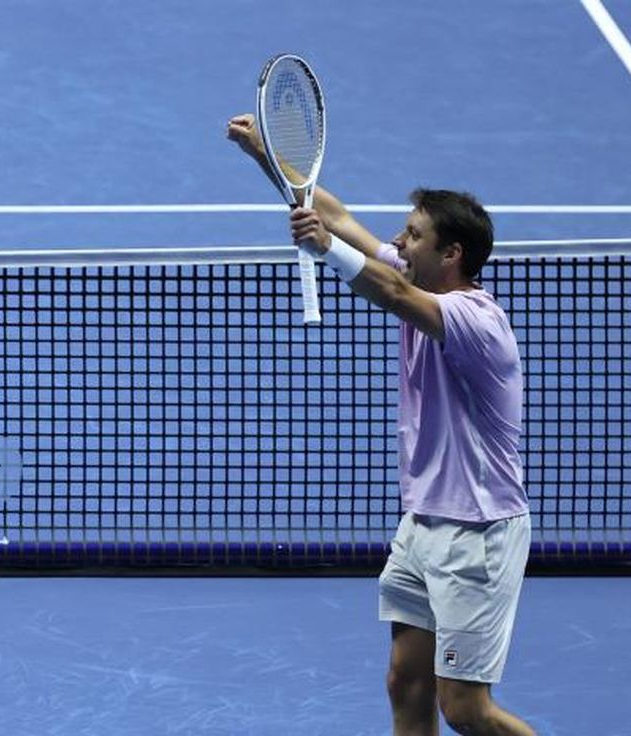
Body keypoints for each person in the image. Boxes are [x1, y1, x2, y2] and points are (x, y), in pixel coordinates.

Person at [227, 115, 535, 736]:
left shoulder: (476, 320)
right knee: (405, 680)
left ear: (451, 254)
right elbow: (335, 216)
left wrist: (327, 251)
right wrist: (268, 154)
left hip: (476, 535)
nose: (400, 238)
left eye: (414, 234)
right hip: (422, 523)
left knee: (466, 709)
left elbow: (391, 293)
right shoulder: (416, 274)